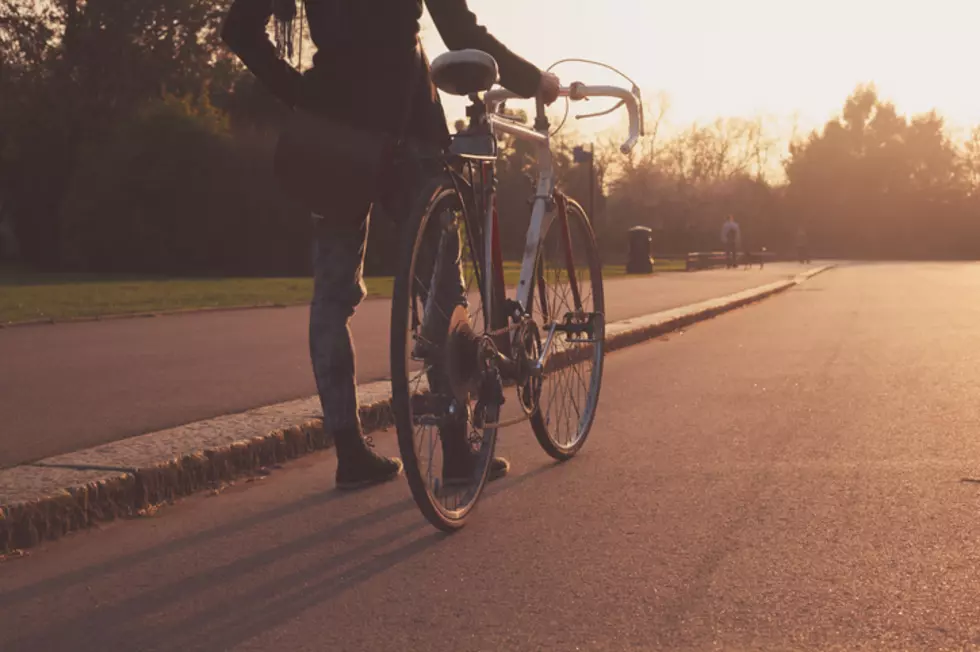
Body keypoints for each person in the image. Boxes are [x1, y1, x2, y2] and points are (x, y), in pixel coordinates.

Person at [221, 0, 561, 490]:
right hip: (409, 131)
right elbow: (460, 31)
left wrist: (303, 94)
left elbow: (239, 30)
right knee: (440, 286)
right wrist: (534, 82)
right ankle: (456, 450)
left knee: (333, 291)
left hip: (334, 136)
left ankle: (350, 452)